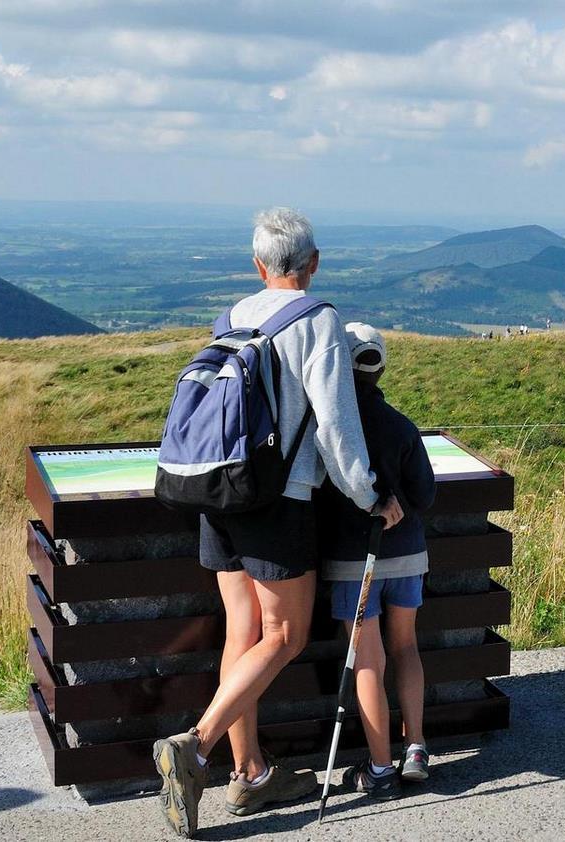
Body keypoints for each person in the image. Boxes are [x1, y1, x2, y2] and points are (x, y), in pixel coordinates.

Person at [152, 208, 402, 838]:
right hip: (278, 501)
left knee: (245, 631)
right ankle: (195, 746)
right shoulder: (318, 321)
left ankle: (252, 775)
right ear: (314, 263)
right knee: (284, 635)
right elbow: (337, 427)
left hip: (218, 491)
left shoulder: (233, 316)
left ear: (258, 265)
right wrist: (371, 495)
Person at [317, 323, 437, 799]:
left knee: (367, 657)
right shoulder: (403, 426)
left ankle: (381, 767)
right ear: (381, 367)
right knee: (405, 645)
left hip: (353, 560)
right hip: (407, 554)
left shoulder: (331, 428)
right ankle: (416, 746)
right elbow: (424, 495)